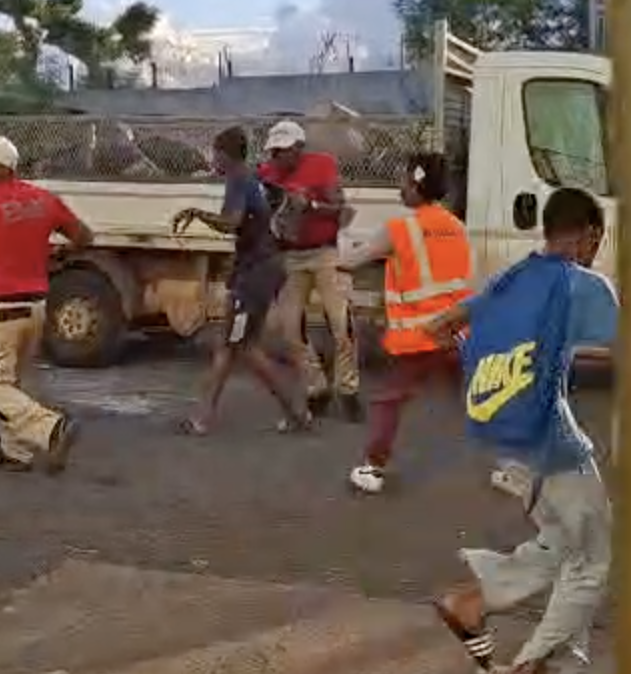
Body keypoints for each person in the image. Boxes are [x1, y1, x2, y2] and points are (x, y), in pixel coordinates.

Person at [424, 187, 617, 674]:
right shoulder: (582, 286)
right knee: (592, 557)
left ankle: (471, 602)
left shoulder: (513, 278)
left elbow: (439, 327)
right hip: (551, 444)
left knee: (563, 542)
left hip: (506, 442)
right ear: (591, 235)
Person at [0, 134, 93, 474]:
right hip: (36, 306)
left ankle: (51, 428)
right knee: (13, 382)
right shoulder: (42, 199)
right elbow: (84, 236)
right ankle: (15, 453)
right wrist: (58, 255)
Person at [335, 153, 473, 495]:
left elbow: (349, 260)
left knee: (387, 400)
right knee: (477, 399)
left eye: (403, 181)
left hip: (419, 337)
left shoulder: (399, 230)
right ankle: (513, 465)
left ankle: (373, 467)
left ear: (416, 185)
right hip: (456, 333)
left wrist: (338, 232)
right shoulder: (457, 227)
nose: (399, 188)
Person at [170, 125, 314, 435]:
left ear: (226, 155)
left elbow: (231, 222)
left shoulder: (238, 180)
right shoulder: (253, 179)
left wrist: (197, 214)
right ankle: (204, 417)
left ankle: (295, 412)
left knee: (241, 346)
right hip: (264, 269)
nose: (213, 160)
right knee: (232, 345)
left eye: (215, 154)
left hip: (254, 274)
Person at [258, 120, 362, 420]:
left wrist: (311, 205)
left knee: (341, 325)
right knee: (290, 330)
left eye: (283, 151)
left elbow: (341, 209)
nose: (278, 157)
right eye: (274, 152)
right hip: (291, 256)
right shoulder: (268, 173)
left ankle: (348, 389)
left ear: (299, 148)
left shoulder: (321, 165)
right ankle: (317, 386)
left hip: (324, 252)